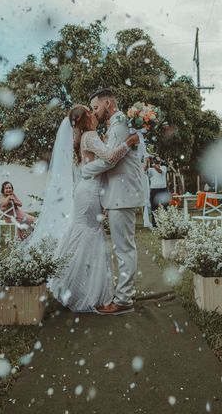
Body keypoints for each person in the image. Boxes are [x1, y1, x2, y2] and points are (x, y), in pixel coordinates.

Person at [49, 105, 139, 312]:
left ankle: (74, 286)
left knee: (85, 234)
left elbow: (97, 161)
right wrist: (128, 143)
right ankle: (83, 290)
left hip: (88, 190)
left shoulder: (84, 137)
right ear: (85, 118)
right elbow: (109, 158)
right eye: (91, 111)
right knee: (89, 235)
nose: (95, 113)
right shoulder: (90, 135)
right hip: (90, 191)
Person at [82, 88, 147, 315]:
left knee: (124, 248)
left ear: (108, 103)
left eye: (96, 107)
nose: (94, 112)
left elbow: (110, 161)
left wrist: (85, 170)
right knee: (123, 246)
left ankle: (123, 300)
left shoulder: (119, 123)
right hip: (119, 193)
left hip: (123, 194)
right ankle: (125, 294)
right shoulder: (117, 124)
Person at [147, 157, 170, 227]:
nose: (157, 159)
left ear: (160, 161)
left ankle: (167, 223)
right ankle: (155, 225)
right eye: (155, 159)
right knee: (154, 208)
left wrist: (153, 165)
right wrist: (147, 162)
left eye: (158, 158)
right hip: (154, 190)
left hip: (163, 189)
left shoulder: (164, 167)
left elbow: (160, 171)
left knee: (166, 207)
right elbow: (145, 171)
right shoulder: (151, 169)